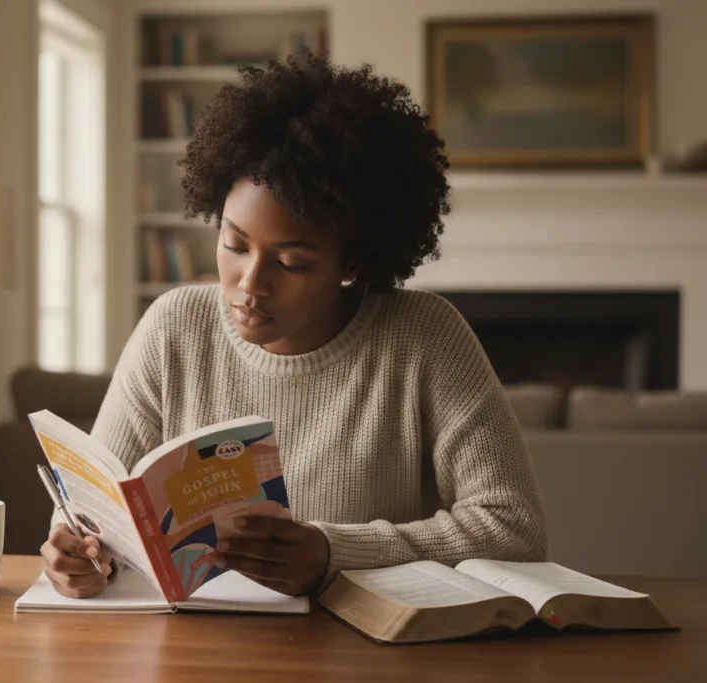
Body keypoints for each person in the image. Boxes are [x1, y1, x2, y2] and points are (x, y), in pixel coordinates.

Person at [41, 52, 547, 599]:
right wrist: (75, 550)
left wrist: (335, 552)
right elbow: (94, 507)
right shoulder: (174, 327)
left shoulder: (423, 336)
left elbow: (514, 527)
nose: (249, 283)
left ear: (352, 263)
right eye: (233, 245)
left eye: (292, 264)